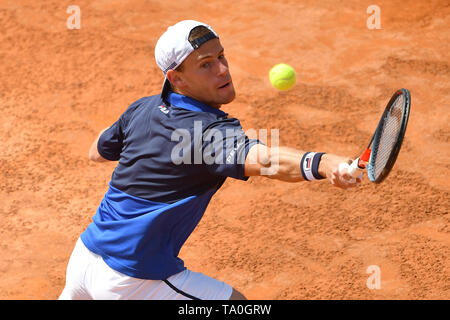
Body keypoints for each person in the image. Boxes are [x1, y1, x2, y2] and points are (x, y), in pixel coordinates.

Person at [59, 20, 362, 300]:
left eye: (221, 56)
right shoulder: (204, 132)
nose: (222, 70)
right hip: (132, 278)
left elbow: (96, 152)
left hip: (84, 259)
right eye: (206, 65)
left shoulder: (142, 109)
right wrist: (323, 163)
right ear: (176, 78)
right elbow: (264, 159)